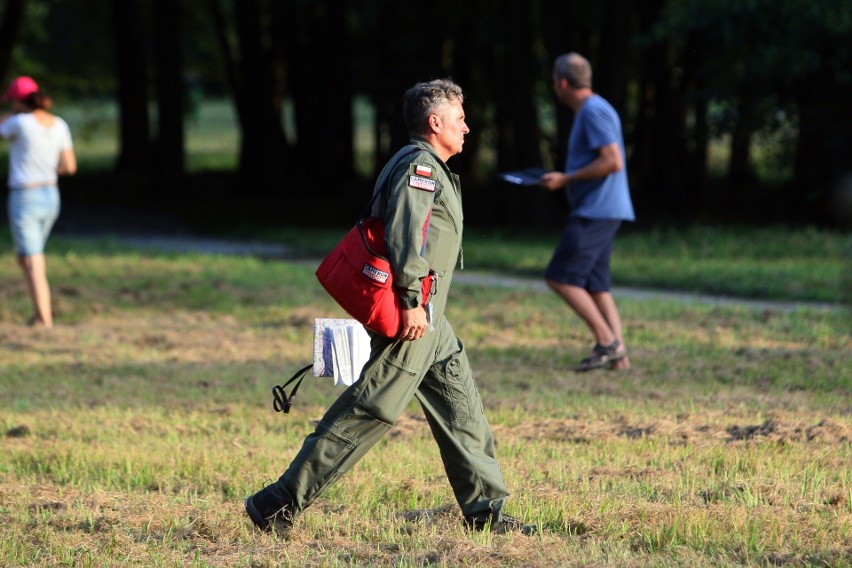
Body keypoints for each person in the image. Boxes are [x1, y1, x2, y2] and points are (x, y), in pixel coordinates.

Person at [245, 79, 531, 536]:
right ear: (435, 123)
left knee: (463, 410)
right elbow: (404, 237)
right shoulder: (419, 168)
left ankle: (487, 512)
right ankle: (277, 503)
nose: (467, 127)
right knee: (370, 409)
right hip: (414, 315)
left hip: (434, 320)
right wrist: (414, 302)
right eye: (459, 119)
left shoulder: (429, 165)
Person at [538, 53, 635, 371]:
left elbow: (612, 161)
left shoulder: (593, 111)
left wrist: (566, 178)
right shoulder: (594, 109)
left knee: (560, 277)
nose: (554, 85)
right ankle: (620, 359)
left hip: (597, 210)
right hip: (603, 208)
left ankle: (608, 343)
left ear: (563, 83)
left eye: (554, 80)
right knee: (596, 285)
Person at [0, 76, 76, 328]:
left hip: (25, 197)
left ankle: (44, 320)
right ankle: (38, 314)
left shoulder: (19, 123)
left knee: (33, 262)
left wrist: (10, 115)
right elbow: (69, 167)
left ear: (18, 101)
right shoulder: (59, 124)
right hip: (51, 196)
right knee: (29, 257)